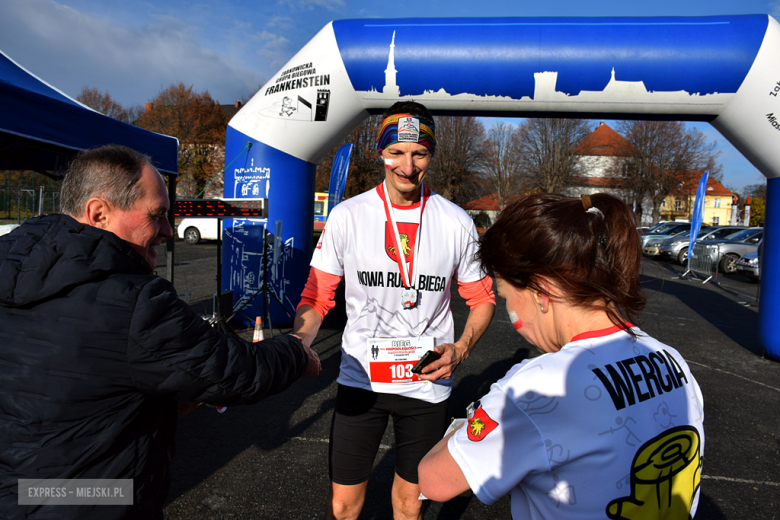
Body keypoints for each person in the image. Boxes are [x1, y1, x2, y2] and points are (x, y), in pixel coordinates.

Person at [0, 144, 320, 520]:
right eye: (157, 216)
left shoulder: (11, 267)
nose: (169, 231)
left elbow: (82, 386)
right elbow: (235, 371)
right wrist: (296, 351)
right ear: (99, 213)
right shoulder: (134, 300)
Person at [419, 193, 705, 519]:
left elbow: (433, 481)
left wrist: (471, 424)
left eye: (508, 298)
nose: (512, 318)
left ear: (542, 292)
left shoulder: (538, 386)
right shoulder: (671, 359)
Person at [293, 101, 495, 520]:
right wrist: (298, 346)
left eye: (419, 152)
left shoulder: (457, 222)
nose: (408, 165)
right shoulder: (348, 216)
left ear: (431, 156)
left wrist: (460, 349)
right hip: (361, 379)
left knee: (409, 505)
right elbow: (317, 295)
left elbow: (481, 299)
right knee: (343, 506)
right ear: (380, 152)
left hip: (425, 386)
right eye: (397, 152)